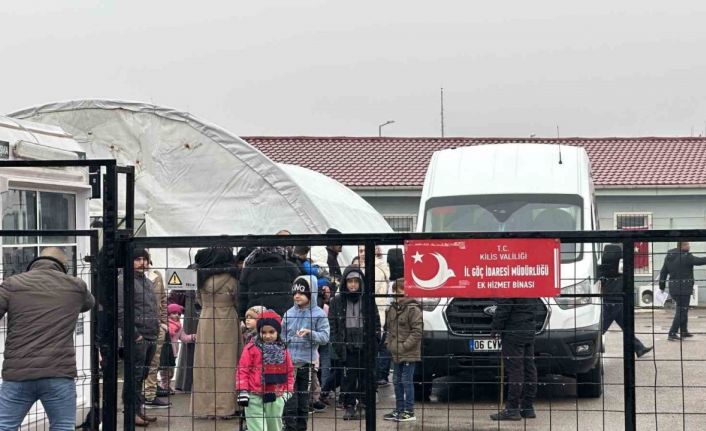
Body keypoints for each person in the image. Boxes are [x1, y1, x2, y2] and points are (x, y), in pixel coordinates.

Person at [0, 247, 95, 430]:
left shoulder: (12, 284)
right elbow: (87, 305)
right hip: (59, 373)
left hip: (18, 373)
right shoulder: (76, 286)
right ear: (63, 266)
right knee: (62, 426)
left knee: (5, 425)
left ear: (34, 263)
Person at [192, 247, 241, 419]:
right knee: (228, 364)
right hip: (227, 319)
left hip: (206, 319)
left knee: (205, 363)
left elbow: (197, 299)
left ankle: (205, 407)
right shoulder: (232, 279)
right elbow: (238, 299)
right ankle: (225, 407)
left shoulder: (200, 277)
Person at [329, 267, 381, 421]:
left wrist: (375, 342)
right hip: (346, 345)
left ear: (361, 283)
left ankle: (365, 405)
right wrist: (338, 345)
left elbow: (376, 323)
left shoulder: (368, 299)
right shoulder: (336, 301)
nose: (352, 285)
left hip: (365, 344)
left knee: (365, 377)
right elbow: (332, 325)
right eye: (349, 281)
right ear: (345, 283)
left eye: (356, 282)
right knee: (349, 379)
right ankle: (350, 406)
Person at [117, 249, 161, 427]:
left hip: (150, 334)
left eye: (144, 259)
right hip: (137, 337)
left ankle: (137, 410)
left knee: (141, 376)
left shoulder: (147, 282)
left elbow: (153, 306)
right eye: (137, 259)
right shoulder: (122, 281)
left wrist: (158, 328)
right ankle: (130, 413)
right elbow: (120, 311)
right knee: (133, 376)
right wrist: (135, 335)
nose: (142, 262)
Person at [282, 275, 330, 431]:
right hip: (289, 364)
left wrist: (311, 333)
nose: (297, 296)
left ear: (311, 293)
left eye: (302, 292)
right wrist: (286, 340)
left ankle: (301, 428)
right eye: (295, 292)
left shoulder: (319, 314)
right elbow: (281, 336)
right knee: (290, 400)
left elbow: (325, 337)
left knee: (303, 401)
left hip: (306, 364)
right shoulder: (288, 313)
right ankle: (290, 428)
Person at [236, 310, 295, 431]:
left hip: (276, 395)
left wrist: (287, 393)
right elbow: (243, 369)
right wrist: (243, 390)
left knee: (274, 427)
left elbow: (289, 372)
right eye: (263, 332)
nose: (268, 336)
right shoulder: (251, 348)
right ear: (259, 332)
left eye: (271, 332)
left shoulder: (283, 350)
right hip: (253, 395)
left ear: (277, 331)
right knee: (257, 428)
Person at [489, 297, 537, 421]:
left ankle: (512, 409)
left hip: (513, 331)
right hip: (529, 328)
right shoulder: (531, 283)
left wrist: (496, 328)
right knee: (529, 367)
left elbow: (504, 308)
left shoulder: (511, 284)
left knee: (515, 370)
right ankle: (527, 407)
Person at [600, 244, 653, 357]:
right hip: (614, 300)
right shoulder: (619, 267)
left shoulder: (604, 267)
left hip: (613, 299)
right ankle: (589, 346)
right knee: (601, 329)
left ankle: (639, 348)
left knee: (625, 327)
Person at [383, 278, 422, 423]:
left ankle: (409, 410)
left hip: (408, 352)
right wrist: (389, 343)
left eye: (401, 293)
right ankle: (399, 409)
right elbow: (388, 329)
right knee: (396, 380)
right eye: (396, 293)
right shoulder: (392, 308)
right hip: (396, 351)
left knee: (406, 381)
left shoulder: (413, 309)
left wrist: (404, 346)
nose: (398, 296)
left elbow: (417, 332)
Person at [660, 241, 706, 341]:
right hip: (684, 288)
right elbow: (700, 261)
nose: (689, 246)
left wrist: (661, 286)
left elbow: (663, 271)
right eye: (687, 244)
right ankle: (672, 332)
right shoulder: (686, 256)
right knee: (682, 310)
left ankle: (684, 331)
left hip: (673, 288)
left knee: (683, 308)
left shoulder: (669, 256)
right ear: (682, 246)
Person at [239, 246, 302, 317]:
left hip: (257, 315)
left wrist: (242, 317)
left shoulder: (248, 270)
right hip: (286, 314)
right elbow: (300, 291)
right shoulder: (290, 267)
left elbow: (242, 297)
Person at [144, 265, 171, 408]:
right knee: (142, 362)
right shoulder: (127, 277)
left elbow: (163, 300)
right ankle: (145, 395)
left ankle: (150, 394)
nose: (143, 262)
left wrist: (164, 323)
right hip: (140, 326)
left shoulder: (156, 275)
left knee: (155, 361)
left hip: (157, 325)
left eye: (145, 258)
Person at [160, 304, 196, 393]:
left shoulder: (179, 327)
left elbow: (183, 338)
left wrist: (193, 337)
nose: (177, 315)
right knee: (164, 370)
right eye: (174, 313)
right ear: (168, 314)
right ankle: (163, 386)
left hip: (174, 352)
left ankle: (166, 386)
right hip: (164, 351)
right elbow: (166, 334)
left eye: (179, 314)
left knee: (170, 371)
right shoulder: (165, 325)